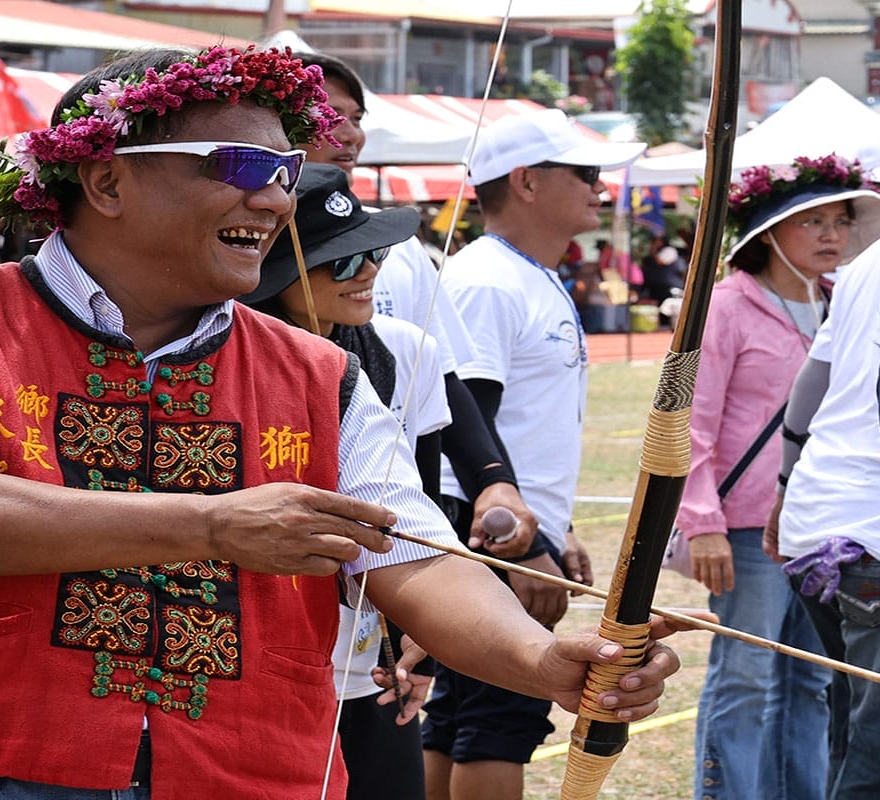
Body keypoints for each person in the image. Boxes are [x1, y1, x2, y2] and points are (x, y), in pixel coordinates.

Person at [0, 46, 688, 800]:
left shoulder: (322, 371)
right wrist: (212, 523)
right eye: (240, 162)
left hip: (246, 769)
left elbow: (416, 556)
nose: (277, 197)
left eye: (286, 169)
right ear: (105, 182)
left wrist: (543, 664)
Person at [429, 108, 646, 800]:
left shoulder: (527, 274)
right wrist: (524, 547)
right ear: (525, 182)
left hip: (518, 528)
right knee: (501, 716)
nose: (600, 186)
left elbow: (521, 424)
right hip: (492, 530)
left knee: (463, 714)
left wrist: (560, 527)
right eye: (584, 173)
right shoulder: (488, 278)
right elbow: (468, 432)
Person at [676, 154, 880, 800]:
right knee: (744, 678)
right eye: (813, 221)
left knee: (814, 684)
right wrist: (702, 520)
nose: (832, 234)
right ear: (768, 234)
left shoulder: (843, 294)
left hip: (805, 522)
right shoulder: (726, 306)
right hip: (745, 525)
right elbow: (689, 417)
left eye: (840, 220)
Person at [240, 162, 448, 799]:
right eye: (339, 261)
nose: (367, 274)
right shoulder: (229, 364)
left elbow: (427, 507)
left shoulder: (407, 349)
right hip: (266, 655)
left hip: (376, 657)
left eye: (372, 251)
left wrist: (425, 633)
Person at [295, 50, 540, 564]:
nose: (349, 135)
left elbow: (441, 380)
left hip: (394, 525)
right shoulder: (230, 252)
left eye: (356, 119)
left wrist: (495, 482)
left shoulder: (401, 248)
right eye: (325, 118)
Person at [765, 231, 880, 800]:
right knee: (876, 759)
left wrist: (787, 489)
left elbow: (810, 385)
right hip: (875, 539)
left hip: (819, 519)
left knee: (854, 732)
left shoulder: (872, 259)